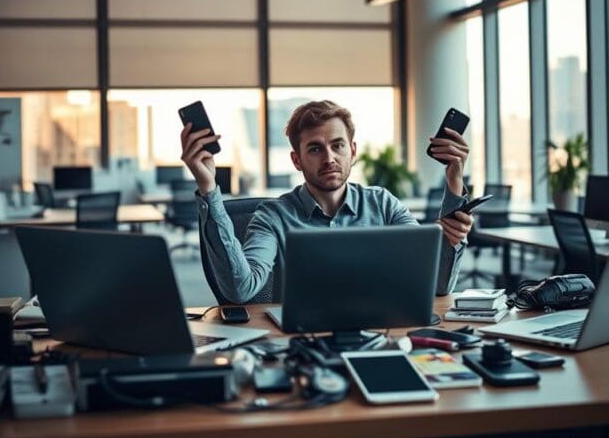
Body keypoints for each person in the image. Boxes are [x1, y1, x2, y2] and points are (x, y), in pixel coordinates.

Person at [181, 100, 474, 304]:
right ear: (297, 160)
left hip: (379, 335)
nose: (329, 158)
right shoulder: (273, 216)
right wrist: (209, 187)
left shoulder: (384, 205)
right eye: (315, 149)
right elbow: (240, 289)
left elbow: (436, 284)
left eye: (337, 145)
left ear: (352, 151)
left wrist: (454, 183)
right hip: (303, 346)